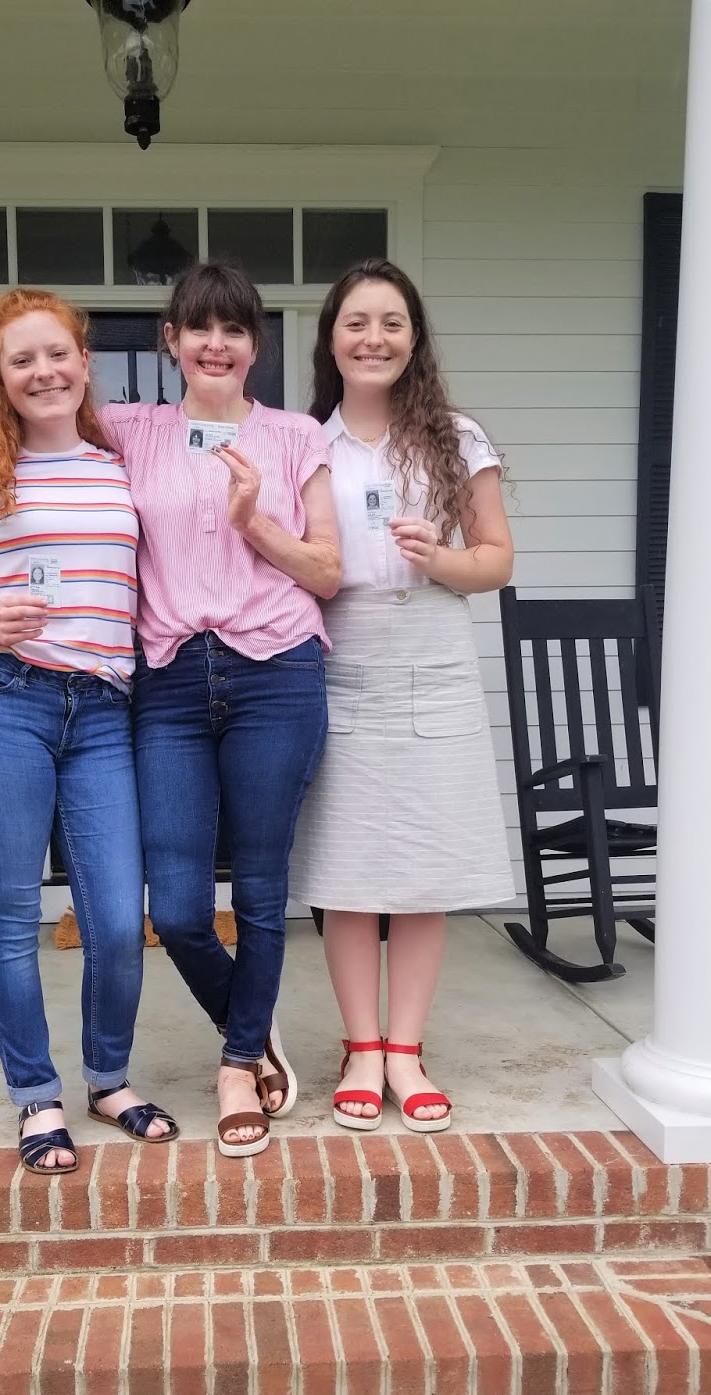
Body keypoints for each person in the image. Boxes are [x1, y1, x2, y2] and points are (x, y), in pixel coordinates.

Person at [0, 261, 341, 1158]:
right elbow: (31, 420)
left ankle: (236, 1063)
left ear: (256, 345)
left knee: (258, 890)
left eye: (234, 329)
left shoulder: (295, 435)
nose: (216, 344)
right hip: (164, 682)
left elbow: (327, 572)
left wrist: (254, 521)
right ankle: (246, 1023)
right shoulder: (129, 429)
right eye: (199, 328)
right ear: (170, 342)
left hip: (272, 667)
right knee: (180, 909)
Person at [0, 288, 177, 1174]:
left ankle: (108, 1080)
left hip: (101, 713)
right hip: (1, 702)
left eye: (56, 353)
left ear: (84, 362)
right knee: (12, 915)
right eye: (20, 360)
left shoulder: (120, 466)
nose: (43, 372)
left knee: (117, 919)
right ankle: (36, 1095)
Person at [287, 259, 515, 1133]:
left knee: (423, 871)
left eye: (391, 322)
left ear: (415, 339)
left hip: (433, 650)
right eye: (356, 323)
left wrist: (438, 557)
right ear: (331, 339)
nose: (373, 338)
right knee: (347, 870)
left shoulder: (456, 438)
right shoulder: (305, 443)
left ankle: (407, 1051)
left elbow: (496, 560)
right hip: (339, 654)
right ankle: (361, 1047)